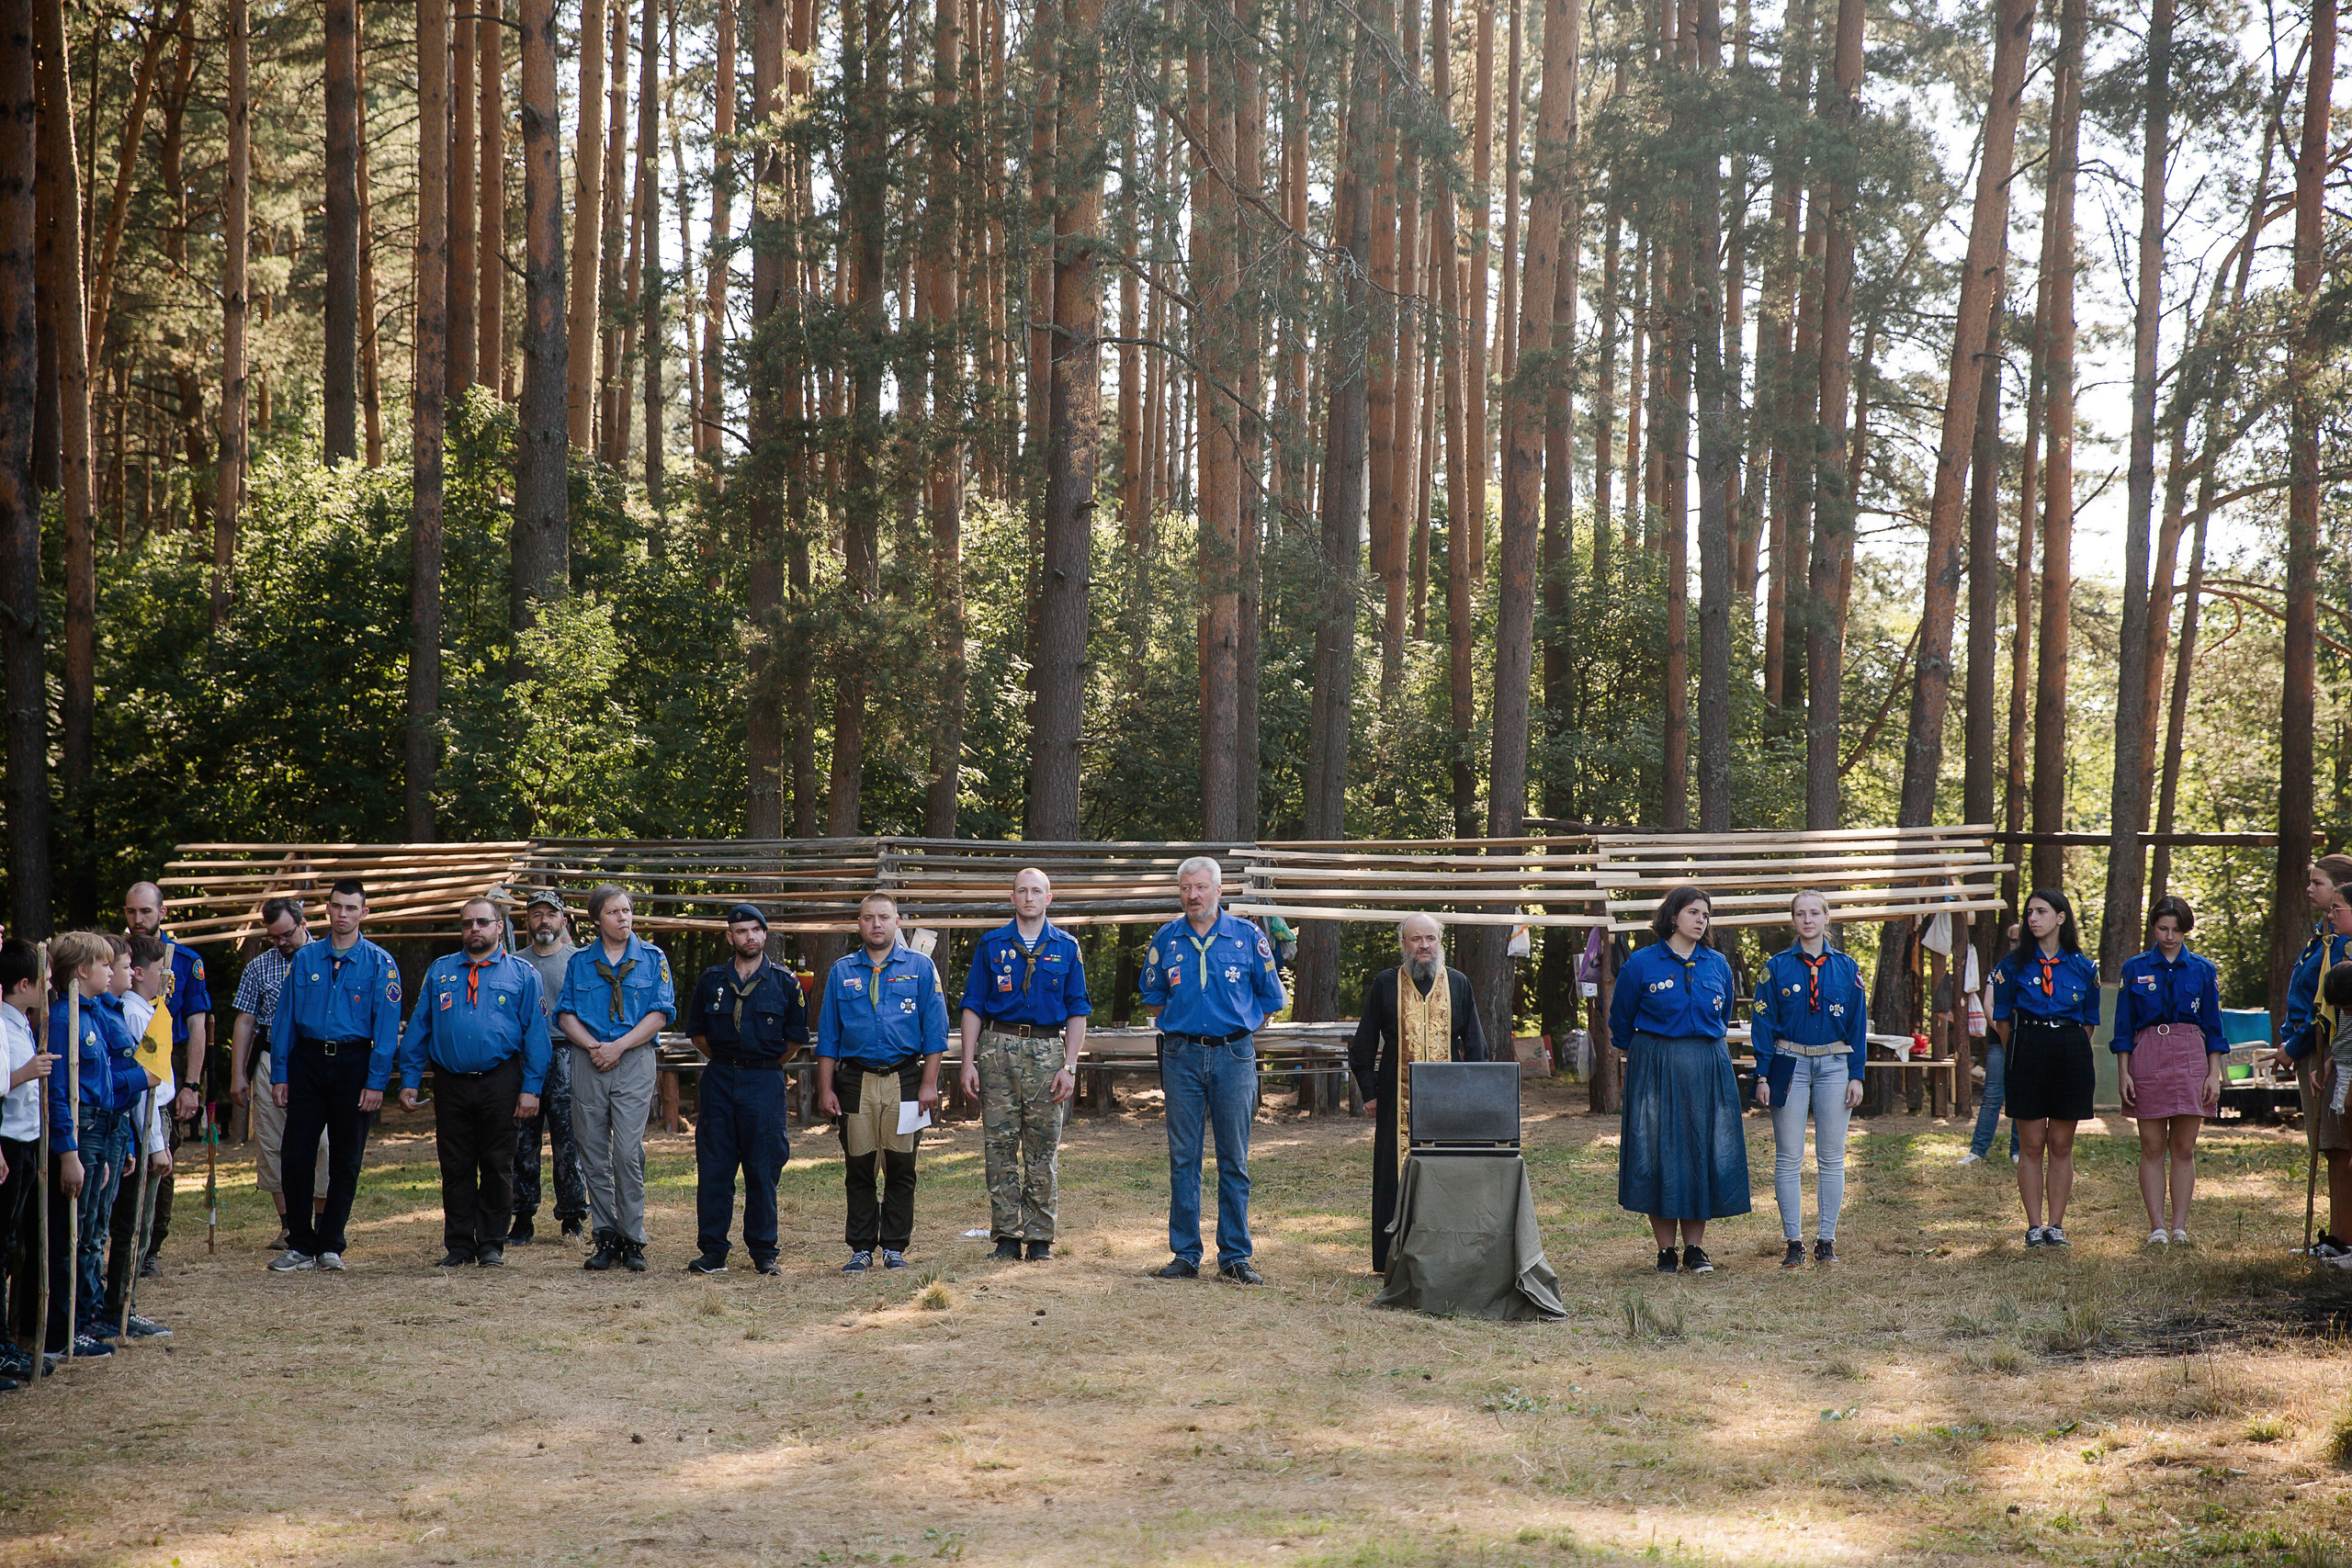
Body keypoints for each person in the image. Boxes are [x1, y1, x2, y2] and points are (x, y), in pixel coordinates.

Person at [1139, 856, 1288, 1285]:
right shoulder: (1167, 938)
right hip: (1181, 1056)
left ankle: (1235, 1256)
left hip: (1234, 1057)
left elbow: (1269, 999)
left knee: (1233, 1159)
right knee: (1183, 1157)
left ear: (1219, 891)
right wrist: (1187, 1023)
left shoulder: (1247, 936)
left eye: (1201, 887)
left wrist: (1234, 1026)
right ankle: (1186, 1254)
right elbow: (1153, 996)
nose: (1193, 895)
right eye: (1186, 888)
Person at [398, 899, 550, 1268]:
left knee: (498, 1165)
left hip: (501, 1080)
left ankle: (492, 1244)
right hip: (450, 1082)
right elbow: (419, 1028)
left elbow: (538, 1036)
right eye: (467, 923)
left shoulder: (523, 974)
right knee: (455, 1166)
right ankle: (460, 1245)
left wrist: (531, 1088)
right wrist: (409, 1080)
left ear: (499, 926)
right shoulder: (440, 971)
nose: (474, 929)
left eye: (483, 922)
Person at [1608, 886, 1748, 1274]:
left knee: (1701, 1147)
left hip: (1707, 1064)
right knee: (1658, 1149)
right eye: (1693, 912)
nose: (1701, 920)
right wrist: (1653, 1053)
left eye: (1705, 914)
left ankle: (1695, 1249)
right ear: (1673, 916)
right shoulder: (1641, 964)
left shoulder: (1717, 964)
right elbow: (1620, 1023)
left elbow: (1722, 1016)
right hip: (1656, 1065)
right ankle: (1665, 1251)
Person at [266, 880, 401, 1272]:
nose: (343, 914)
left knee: (345, 1157)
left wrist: (377, 1082)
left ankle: (331, 1245)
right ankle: (299, 1244)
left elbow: (386, 1028)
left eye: (351, 908)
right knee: (296, 1154)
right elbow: (285, 1020)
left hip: (353, 1064)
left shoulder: (380, 963)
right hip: (307, 1062)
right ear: (327, 909)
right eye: (337, 906)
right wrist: (280, 1074)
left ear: (364, 913)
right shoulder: (306, 959)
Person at [956, 869, 1090, 1263]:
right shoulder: (991, 944)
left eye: (1036, 891)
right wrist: (967, 1062)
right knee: (998, 1145)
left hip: (1048, 1051)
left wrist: (1070, 1066)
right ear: (1011, 897)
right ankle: (1006, 1237)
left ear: (1049, 898)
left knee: (1042, 1147)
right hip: (997, 1049)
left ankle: (1040, 1238)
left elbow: (1078, 1010)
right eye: (1022, 891)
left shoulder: (1066, 947)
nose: (1029, 898)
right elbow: (972, 1006)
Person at [815, 892, 947, 1273]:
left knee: (901, 1166)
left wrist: (929, 1083)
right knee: (859, 1166)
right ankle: (861, 1247)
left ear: (897, 922)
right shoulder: (842, 971)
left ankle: (894, 1246)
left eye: (884, 917)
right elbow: (828, 1036)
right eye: (869, 917)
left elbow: (935, 1031)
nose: (877, 924)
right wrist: (826, 1089)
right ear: (859, 923)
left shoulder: (921, 967)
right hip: (855, 1080)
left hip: (905, 1079)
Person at [1346, 913, 1485, 1275]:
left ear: (1440, 942)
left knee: (1448, 1174)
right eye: (1416, 939)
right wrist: (1370, 1092)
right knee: (1393, 1176)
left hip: (1450, 1103)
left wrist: (1475, 1096)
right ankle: (1391, 1259)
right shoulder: (1385, 983)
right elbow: (1362, 1045)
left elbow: (1475, 1044)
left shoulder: (1458, 984)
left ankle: (1447, 1254)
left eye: (1430, 938)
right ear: (1403, 944)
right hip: (1396, 1101)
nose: (1424, 945)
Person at [556, 886, 674, 1273]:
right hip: (589, 1059)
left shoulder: (653, 958)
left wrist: (618, 1047)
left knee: (626, 1152)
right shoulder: (579, 962)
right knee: (592, 1151)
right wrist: (595, 1047)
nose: (623, 917)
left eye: (627, 910)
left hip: (634, 1059)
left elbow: (660, 1013)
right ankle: (606, 1236)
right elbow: (565, 1014)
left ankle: (633, 1237)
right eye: (614, 912)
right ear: (597, 919)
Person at [684, 904, 807, 1276]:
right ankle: (713, 1252)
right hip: (720, 1080)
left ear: (765, 934)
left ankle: (764, 1251)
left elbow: (794, 1040)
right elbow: (698, 1034)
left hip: (764, 1082)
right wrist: (729, 1061)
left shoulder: (786, 983)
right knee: (715, 1167)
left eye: (755, 930)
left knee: (763, 1168)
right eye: (741, 931)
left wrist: (760, 1064)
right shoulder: (711, 981)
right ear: (730, 937)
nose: (749, 937)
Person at [1750, 891, 1867, 1268]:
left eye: (1814, 913)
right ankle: (1793, 1242)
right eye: (1800, 914)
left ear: (1826, 917)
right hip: (1789, 1062)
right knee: (1788, 1157)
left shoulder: (1847, 967)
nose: (1807, 920)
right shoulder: (1776, 967)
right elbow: (1762, 1022)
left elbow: (1858, 1024)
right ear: (1793, 920)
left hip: (1834, 1063)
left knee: (1832, 1157)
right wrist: (1763, 1074)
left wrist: (1857, 1074)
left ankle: (1826, 1240)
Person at [1988, 887, 2100, 1249]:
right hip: (2028, 1048)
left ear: (2061, 917)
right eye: (2029, 912)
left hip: (2070, 1051)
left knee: (2061, 1144)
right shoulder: (2011, 966)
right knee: (2032, 1144)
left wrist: (2067, 1047)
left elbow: (2089, 1023)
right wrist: (2024, 1051)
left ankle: (2056, 1225)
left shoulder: (2084, 968)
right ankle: (2034, 1226)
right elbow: (2002, 1021)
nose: (2033, 919)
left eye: (2041, 911)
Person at [2112, 895, 2227, 1247]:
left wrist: (2213, 1073)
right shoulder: (2134, 968)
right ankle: (2157, 1227)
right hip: (2147, 1053)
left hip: (2191, 1053)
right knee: (2151, 1146)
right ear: (2153, 927)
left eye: (2176, 930)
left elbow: (2214, 1027)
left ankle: (2179, 1227)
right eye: (2163, 928)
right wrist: (2123, 1072)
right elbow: (2123, 1026)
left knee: (2184, 1147)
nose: (2169, 936)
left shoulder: (2203, 969)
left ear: (2186, 930)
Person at [45, 931, 126, 1356]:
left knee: (90, 1228)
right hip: (82, 1132)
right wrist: (70, 1153)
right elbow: (58, 1093)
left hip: (100, 1131)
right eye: (104, 965)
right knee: (70, 1235)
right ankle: (63, 1331)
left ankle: (83, 1317)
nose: (110, 972)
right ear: (81, 970)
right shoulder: (64, 1020)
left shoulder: (90, 1015)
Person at [123, 882, 212, 1268]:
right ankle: (122, 1247)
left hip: (164, 1069)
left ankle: (151, 1248)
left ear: (162, 912)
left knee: (163, 1158)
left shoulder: (184, 960)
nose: (138, 919)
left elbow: (197, 1025)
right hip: (123, 1068)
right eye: (131, 911)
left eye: (146, 911)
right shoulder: (113, 954)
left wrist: (191, 1084)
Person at [230, 898, 326, 1250]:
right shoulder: (259, 967)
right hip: (271, 1056)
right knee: (273, 1141)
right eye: (273, 937)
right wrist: (238, 1074)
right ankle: (288, 1227)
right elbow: (245, 1021)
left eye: (286, 934)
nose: (281, 942)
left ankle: (320, 1224)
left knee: (323, 1143)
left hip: (316, 1057)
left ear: (303, 924)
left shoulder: (328, 957)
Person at [101, 935, 174, 1338]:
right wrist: (154, 1144)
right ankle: (117, 1305)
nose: (167, 977)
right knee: (131, 1223)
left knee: (140, 1223)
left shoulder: (145, 1009)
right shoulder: (130, 1013)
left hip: (152, 1117)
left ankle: (123, 1302)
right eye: (126, 967)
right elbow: (142, 1086)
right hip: (140, 1120)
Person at [2284, 855, 2352, 1261]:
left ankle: (2344, 1238)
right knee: (2330, 1148)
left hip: (2329, 1048)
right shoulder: (2322, 937)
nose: (2310, 889)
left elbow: (2328, 1007)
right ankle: (2338, 1236)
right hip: (2318, 1052)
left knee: (2339, 1147)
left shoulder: (2344, 944)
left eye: (2319, 883)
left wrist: (2293, 1047)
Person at [510, 890, 587, 1245]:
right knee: (522, 1140)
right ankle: (522, 1217)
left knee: (569, 1141)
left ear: (563, 921)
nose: (544, 921)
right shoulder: (514, 963)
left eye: (551, 914)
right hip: (524, 1058)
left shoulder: (580, 961)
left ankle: (572, 1217)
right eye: (537, 914)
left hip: (567, 1054)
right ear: (527, 921)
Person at [0, 942, 56, 1384]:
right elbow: (3, 1083)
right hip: (8, 1144)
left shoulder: (21, 1023)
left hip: (25, 1143)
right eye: (46, 979)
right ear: (24, 984)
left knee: (9, 1244)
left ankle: (7, 1343)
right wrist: (28, 1072)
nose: (51, 987)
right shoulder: (3, 1025)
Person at [1959, 922, 2023, 1166]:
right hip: (1999, 1041)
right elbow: (1989, 1005)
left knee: (2022, 1096)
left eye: (2019, 940)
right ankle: (1978, 1150)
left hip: (2029, 1042)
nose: (2015, 945)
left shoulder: (2038, 967)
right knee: (1992, 1096)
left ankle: (2019, 1151)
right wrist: (2005, 1033)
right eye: (2012, 940)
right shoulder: (2001, 968)